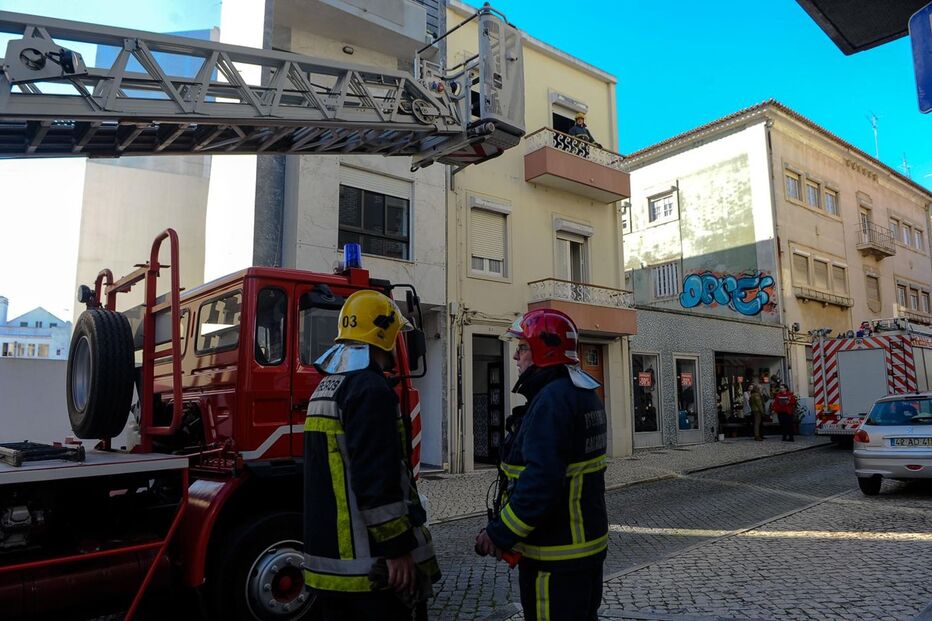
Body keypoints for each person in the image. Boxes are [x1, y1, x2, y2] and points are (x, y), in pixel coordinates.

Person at [303, 290, 440, 620]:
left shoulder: (326, 387)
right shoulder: (371, 390)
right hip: (371, 572)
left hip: (329, 568)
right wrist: (396, 551)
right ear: (387, 335)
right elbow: (376, 480)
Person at [475, 309, 608, 621]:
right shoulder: (582, 393)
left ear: (542, 351)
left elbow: (540, 484)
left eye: (521, 348)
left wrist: (498, 534)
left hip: (555, 557)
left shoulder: (551, 401)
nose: (515, 357)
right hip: (583, 552)